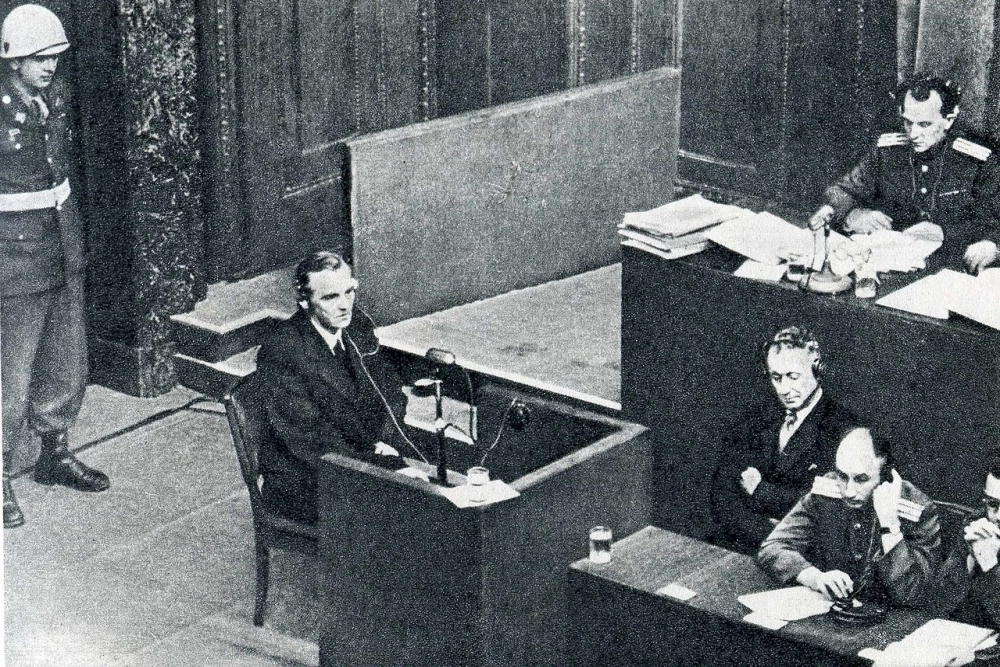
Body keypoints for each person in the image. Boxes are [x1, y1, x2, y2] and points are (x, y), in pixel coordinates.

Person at [1, 4, 110, 529]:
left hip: (63, 247)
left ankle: (54, 452)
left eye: (54, 58)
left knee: (65, 361)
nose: (49, 67)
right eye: (38, 58)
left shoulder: (55, 99)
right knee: (10, 374)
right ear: (13, 60)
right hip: (13, 259)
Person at [249, 251, 419, 524]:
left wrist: (388, 443)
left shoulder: (357, 326)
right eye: (330, 297)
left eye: (349, 292)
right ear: (304, 302)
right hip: (306, 480)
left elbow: (389, 392)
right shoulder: (282, 350)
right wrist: (381, 464)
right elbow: (309, 440)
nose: (344, 306)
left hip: (361, 455)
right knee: (411, 513)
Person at [808, 74, 1000, 274]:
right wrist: (853, 214)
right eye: (908, 122)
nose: (913, 134)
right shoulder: (888, 150)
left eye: (924, 124)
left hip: (950, 271)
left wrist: (992, 246)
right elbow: (839, 191)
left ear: (948, 121)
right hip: (892, 268)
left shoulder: (976, 160)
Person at [710, 326, 857, 554]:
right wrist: (769, 537)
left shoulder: (843, 429)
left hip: (802, 557)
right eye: (776, 377)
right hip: (748, 545)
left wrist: (760, 490)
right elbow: (723, 493)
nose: (784, 389)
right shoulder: (756, 418)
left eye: (793, 377)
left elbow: (824, 507)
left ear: (818, 370)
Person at [758, 427, 941, 607]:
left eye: (861, 479)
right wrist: (815, 577)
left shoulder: (918, 509)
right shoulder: (825, 493)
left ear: (885, 477)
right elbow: (772, 547)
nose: (849, 491)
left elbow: (912, 594)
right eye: (842, 476)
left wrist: (890, 526)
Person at [934, 453, 1000, 628]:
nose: (999, 516)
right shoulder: (977, 525)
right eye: (993, 504)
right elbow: (938, 604)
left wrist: (990, 565)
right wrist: (970, 561)